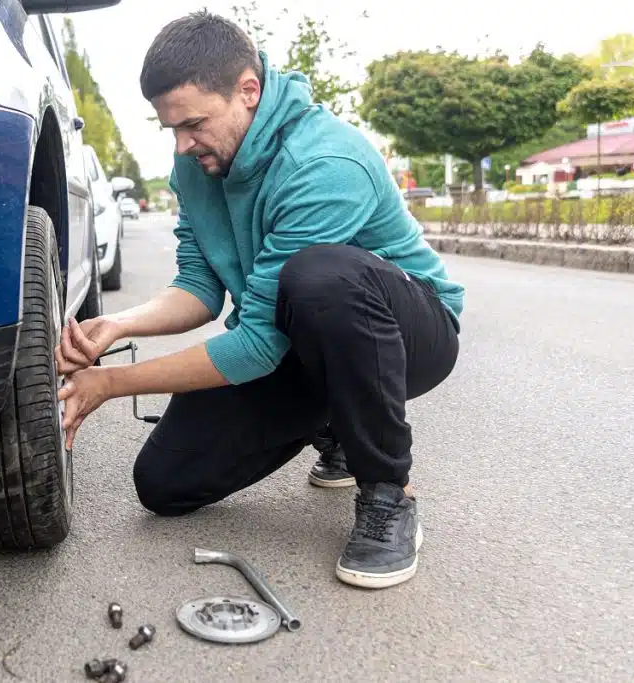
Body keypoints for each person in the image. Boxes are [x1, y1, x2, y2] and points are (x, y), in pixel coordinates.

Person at [55, 11, 465, 589]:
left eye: (193, 123)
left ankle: (388, 491)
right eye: (169, 128)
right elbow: (198, 287)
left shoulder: (323, 164)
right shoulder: (194, 163)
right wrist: (117, 326)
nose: (181, 144)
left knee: (320, 277)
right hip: (301, 338)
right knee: (165, 483)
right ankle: (336, 421)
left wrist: (111, 382)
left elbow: (253, 346)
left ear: (249, 90)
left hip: (407, 334)